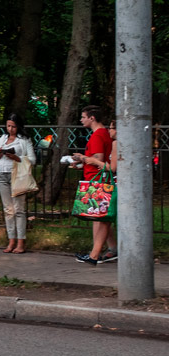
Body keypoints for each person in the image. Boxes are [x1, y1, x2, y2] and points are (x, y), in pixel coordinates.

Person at [72, 105, 117, 265]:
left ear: (92, 118)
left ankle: (94, 255)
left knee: (98, 217)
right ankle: (111, 248)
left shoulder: (98, 136)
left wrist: (83, 158)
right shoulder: (105, 134)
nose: (81, 119)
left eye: (83, 117)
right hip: (101, 178)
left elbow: (98, 159)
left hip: (96, 180)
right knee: (103, 217)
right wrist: (82, 163)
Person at [0, 113, 36, 253]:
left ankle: (21, 242)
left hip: (17, 176)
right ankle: (11, 241)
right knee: (8, 210)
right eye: (8, 126)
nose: (10, 129)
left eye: (13, 126)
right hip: (2, 175)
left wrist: (16, 157)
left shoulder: (24, 140)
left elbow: (32, 160)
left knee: (19, 209)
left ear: (19, 127)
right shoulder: (1, 139)